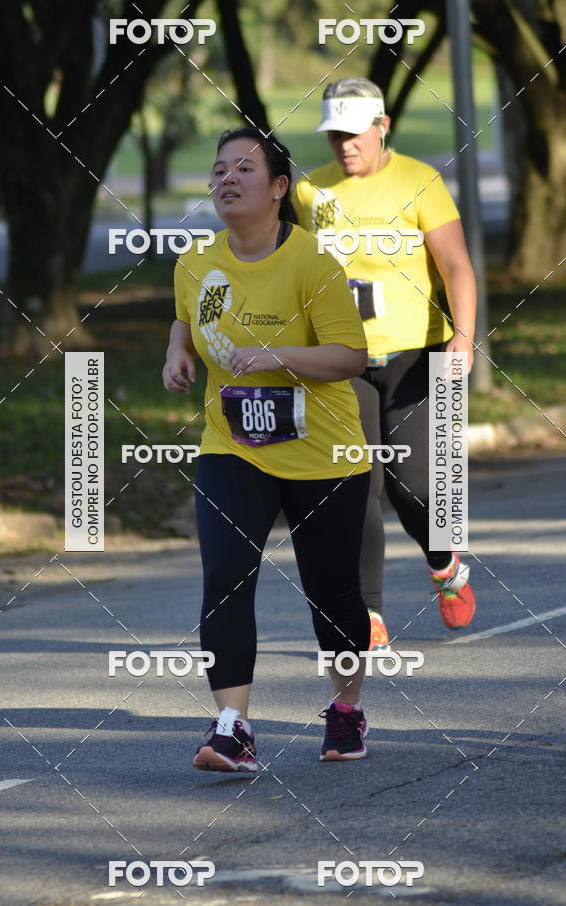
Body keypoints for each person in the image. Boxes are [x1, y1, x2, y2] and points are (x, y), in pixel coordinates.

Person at [163, 126, 375, 772]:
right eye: (219, 169)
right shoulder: (196, 262)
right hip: (234, 447)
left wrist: (277, 355)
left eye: (244, 168)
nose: (227, 178)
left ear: (279, 187)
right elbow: (186, 317)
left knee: (333, 592)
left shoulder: (312, 263)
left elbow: (351, 356)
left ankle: (346, 708)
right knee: (225, 579)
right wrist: (177, 351)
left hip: (323, 452)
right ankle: (233, 728)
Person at [292, 78, 477, 649]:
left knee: (414, 487)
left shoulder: (420, 182)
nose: (344, 144)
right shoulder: (309, 192)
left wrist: (464, 337)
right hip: (343, 361)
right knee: (358, 485)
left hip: (414, 354)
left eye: (354, 133)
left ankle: (444, 563)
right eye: (335, 134)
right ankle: (367, 612)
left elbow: (456, 266)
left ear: (382, 126)